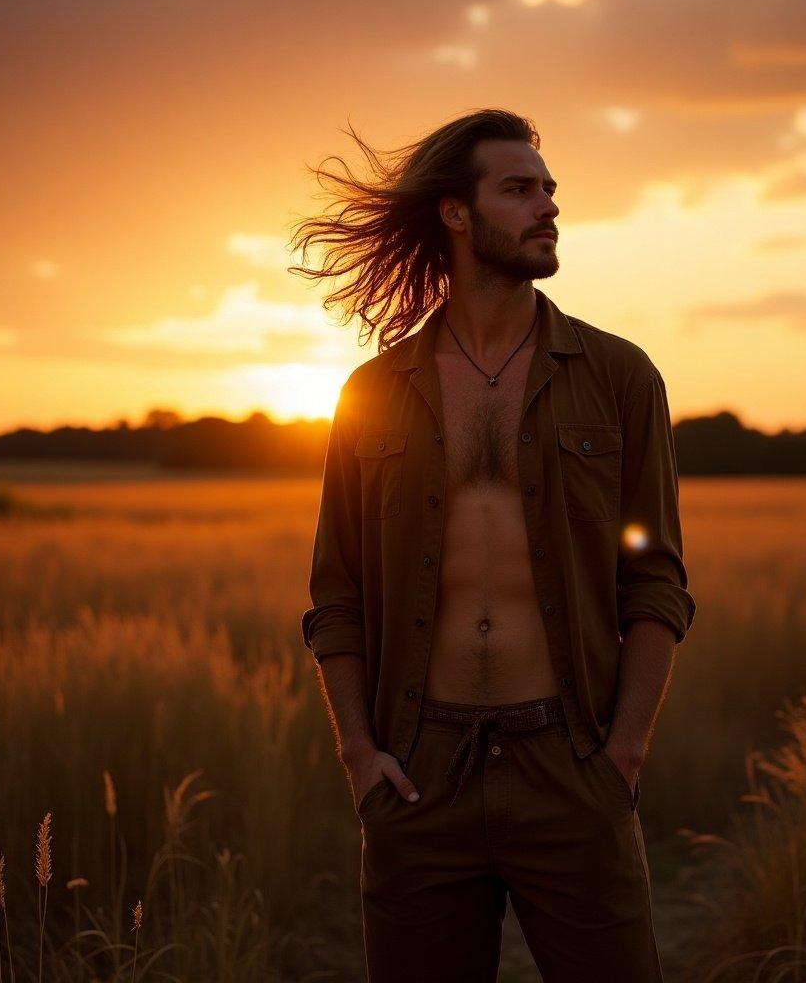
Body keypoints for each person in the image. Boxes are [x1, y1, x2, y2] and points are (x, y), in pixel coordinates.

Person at [293, 108, 697, 982]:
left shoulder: (620, 377)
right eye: (518, 189)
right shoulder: (371, 394)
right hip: (418, 777)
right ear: (456, 212)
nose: (547, 206)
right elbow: (338, 597)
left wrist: (620, 756)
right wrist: (360, 755)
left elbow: (656, 581)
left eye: (550, 190)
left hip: (570, 767)